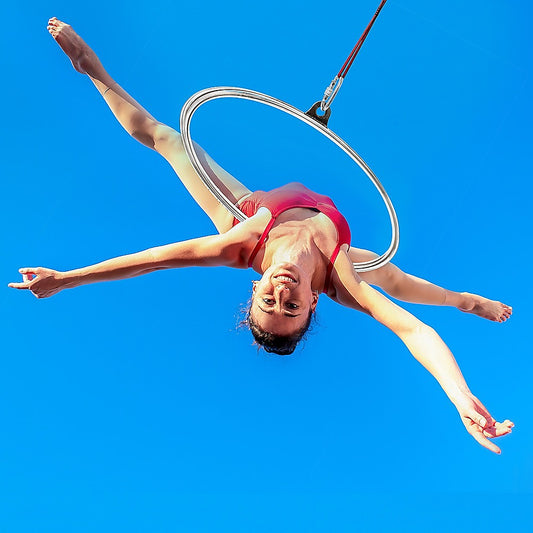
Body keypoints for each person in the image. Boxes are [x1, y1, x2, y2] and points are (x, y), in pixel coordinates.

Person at [9, 18, 514, 453]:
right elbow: (413, 331)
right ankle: (466, 300)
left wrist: (67, 278)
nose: (281, 293)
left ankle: (91, 69)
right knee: (395, 281)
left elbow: (152, 259)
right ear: (312, 303)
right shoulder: (339, 278)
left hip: (252, 212)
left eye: (267, 301)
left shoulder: (237, 246)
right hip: (328, 241)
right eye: (291, 307)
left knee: (164, 137)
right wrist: (461, 399)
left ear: (254, 289)